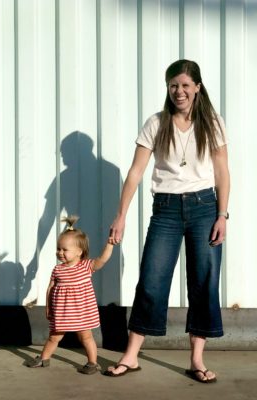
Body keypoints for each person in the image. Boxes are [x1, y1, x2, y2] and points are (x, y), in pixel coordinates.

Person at [106, 59, 230, 383]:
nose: (179, 91)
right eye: (174, 85)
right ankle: (131, 356)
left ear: (197, 88)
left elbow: (222, 173)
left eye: (186, 85)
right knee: (151, 279)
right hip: (166, 210)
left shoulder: (212, 123)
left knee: (204, 282)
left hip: (205, 208)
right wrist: (120, 216)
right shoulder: (156, 123)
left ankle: (196, 360)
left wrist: (223, 214)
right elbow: (135, 172)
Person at [26, 215, 115, 374]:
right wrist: (48, 307)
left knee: (86, 338)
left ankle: (92, 363)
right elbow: (51, 288)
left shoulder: (86, 266)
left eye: (64, 250)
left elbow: (102, 259)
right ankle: (44, 358)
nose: (60, 253)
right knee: (54, 337)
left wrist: (110, 244)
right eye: (58, 249)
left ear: (79, 252)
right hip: (61, 312)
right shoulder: (58, 269)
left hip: (81, 312)